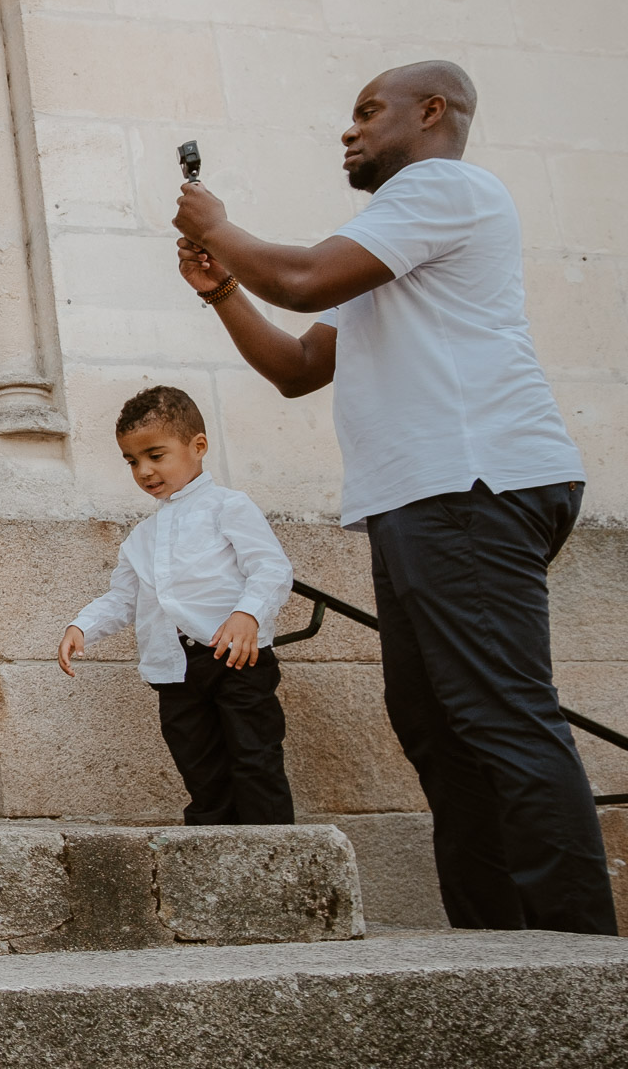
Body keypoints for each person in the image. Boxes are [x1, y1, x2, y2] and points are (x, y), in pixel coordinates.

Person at [172, 60, 614, 934]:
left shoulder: (444, 189)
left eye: (369, 113)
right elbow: (300, 367)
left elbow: (299, 276)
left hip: (473, 483)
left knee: (498, 719)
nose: (351, 129)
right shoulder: (391, 238)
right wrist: (223, 290)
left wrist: (221, 227)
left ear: (433, 113)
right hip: (429, 498)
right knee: (438, 731)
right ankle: (497, 951)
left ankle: (584, 962)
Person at [58, 386, 296, 825]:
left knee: (254, 760)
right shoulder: (141, 538)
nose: (144, 470)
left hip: (234, 658)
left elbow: (271, 568)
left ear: (197, 446)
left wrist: (248, 615)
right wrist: (83, 626)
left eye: (155, 455)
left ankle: (272, 855)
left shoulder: (228, 506)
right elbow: (124, 597)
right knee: (202, 770)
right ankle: (212, 858)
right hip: (175, 671)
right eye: (132, 461)